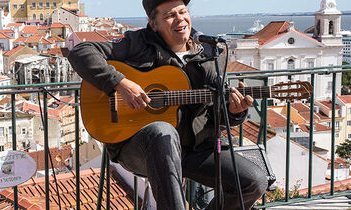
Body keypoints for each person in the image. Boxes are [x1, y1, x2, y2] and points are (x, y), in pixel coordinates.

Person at [68, 0, 268, 209]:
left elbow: (214, 113)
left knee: (253, 182)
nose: (180, 18)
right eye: (170, 15)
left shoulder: (210, 54)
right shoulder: (137, 44)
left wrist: (233, 113)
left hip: (195, 149)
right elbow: (80, 52)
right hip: (140, 148)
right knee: (163, 131)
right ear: (153, 24)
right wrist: (119, 83)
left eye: (183, 12)